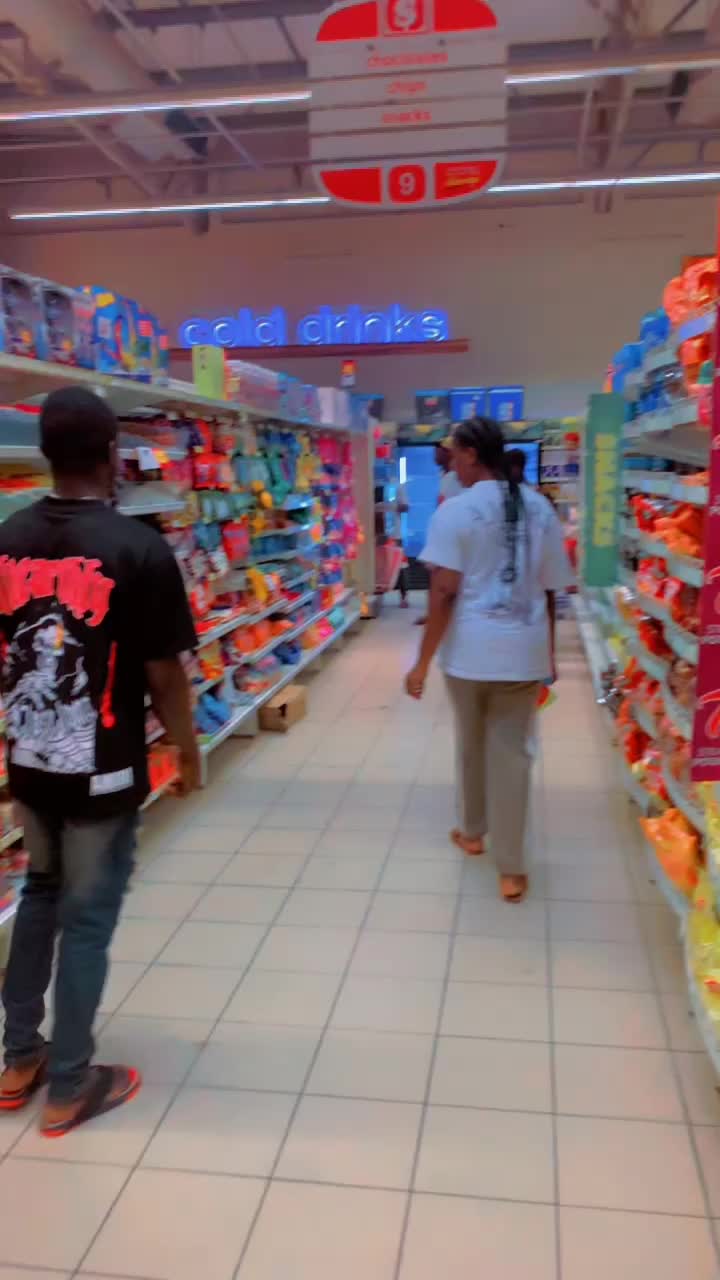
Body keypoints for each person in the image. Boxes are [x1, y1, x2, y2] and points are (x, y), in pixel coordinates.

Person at [0, 387, 200, 1137]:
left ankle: (19, 1058)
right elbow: (165, 673)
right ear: (112, 454)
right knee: (86, 921)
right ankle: (70, 1084)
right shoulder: (138, 548)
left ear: (46, 452)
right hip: (103, 775)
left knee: (40, 897)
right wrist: (186, 749)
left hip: (30, 764)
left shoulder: (7, 538)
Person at [405, 418, 571, 903]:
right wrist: (549, 653)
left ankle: (473, 832)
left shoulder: (456, 511)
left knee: (471, 744)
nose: (451, 462)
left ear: (472, 455)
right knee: (512, 756)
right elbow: (551, 589)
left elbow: (443, 592)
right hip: (522, 653)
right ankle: (511, 869)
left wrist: (421, 662)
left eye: (455, 453)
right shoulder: (539, 508)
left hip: (469, 655)